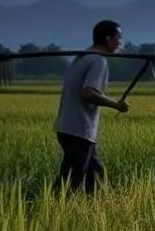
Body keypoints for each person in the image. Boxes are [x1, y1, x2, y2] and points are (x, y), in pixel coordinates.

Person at [53, 19, 129, 194]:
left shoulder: (82, 57)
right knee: (71, 180)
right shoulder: (98, 62)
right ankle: (48, 212)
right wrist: (117, 105)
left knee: (96, 176)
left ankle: (97, 212)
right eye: (119, 38)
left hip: (67, 128)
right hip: (79, 130)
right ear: (108, 39)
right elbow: (88, 93)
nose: (120, 43)